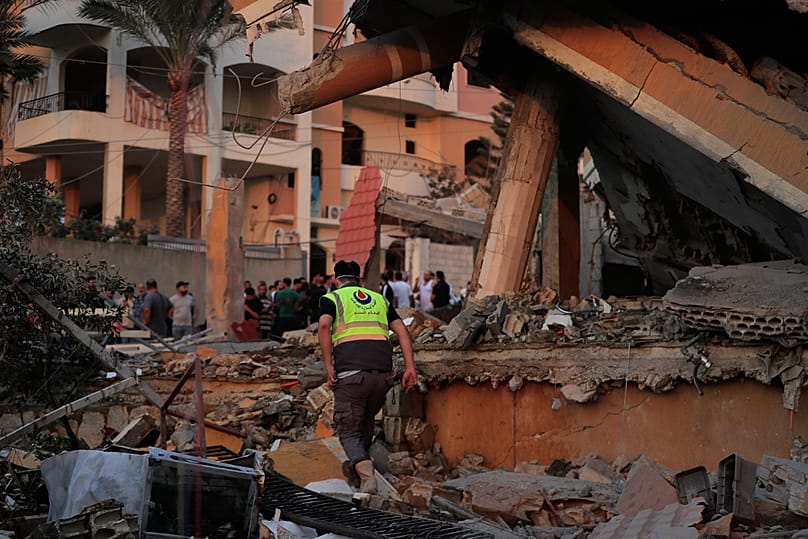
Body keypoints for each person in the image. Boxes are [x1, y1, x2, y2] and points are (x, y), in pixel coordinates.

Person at [318, 260, 417, 494]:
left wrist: (329, 366)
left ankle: (367, 478)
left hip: (352, 375)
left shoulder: (332, 298)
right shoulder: (379, 299)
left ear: (336, 280)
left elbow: (324, 327)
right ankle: (357, 476)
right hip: (382, 376)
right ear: (359, 280)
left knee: (348, 431)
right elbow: (403, 332)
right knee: (364, 424)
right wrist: (410, 368)